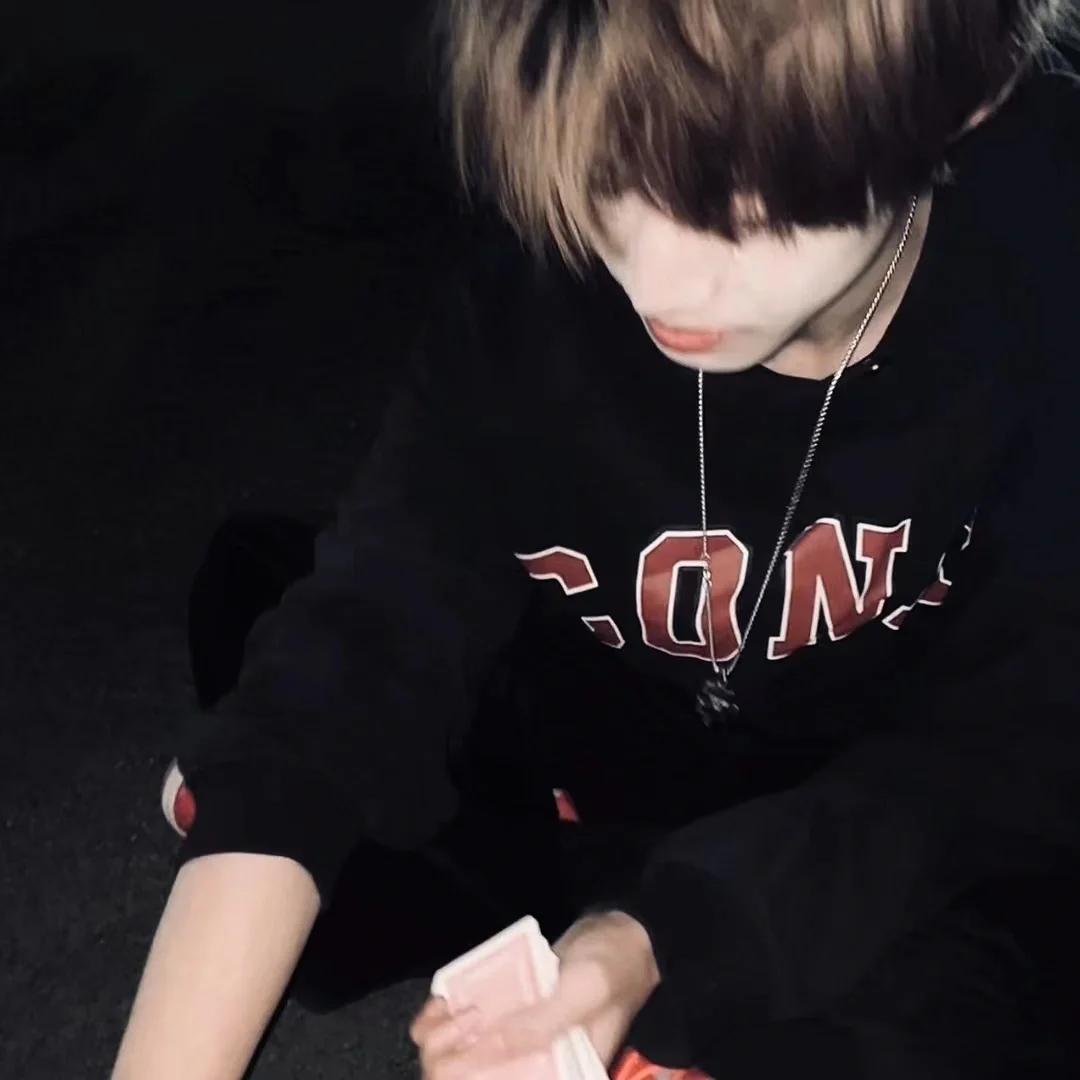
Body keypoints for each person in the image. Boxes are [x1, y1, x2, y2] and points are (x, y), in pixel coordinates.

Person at [112, 1, 1080, 1078]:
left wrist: (657, 938)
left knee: (991, 963)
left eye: (747, 207)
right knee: (280, 626)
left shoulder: (1043, 277)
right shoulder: (536, 285)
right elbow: (371, 631)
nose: (660, 280)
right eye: (610, 177)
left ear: (971, 87)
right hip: (612, 730)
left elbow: (1007, 755)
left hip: (879, 801)